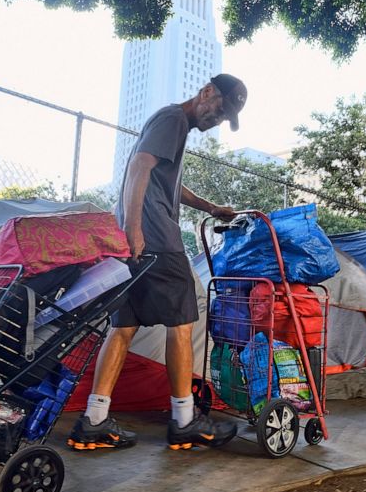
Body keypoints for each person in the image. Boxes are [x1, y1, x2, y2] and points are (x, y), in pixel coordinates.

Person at [67, 74, 248, 451]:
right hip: (154, 237)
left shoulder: (173, 126)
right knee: (182, 321)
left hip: (137, 238)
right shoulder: (173, 120)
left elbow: (168, 183)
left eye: (224, 117)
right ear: (206, 92)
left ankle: (94, 421)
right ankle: (185, 420)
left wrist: (211, 207)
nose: (217, 119)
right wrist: (135, 228)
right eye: (219, 108)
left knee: (124, 326)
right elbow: (139, 169)